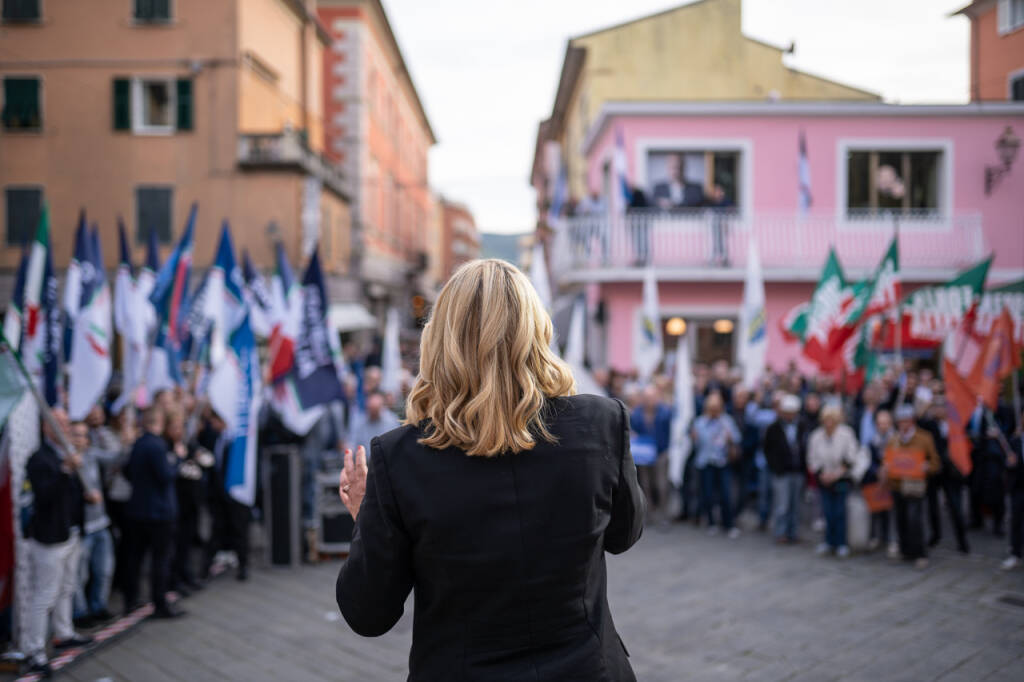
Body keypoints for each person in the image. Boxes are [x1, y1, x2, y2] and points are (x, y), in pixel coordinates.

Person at [335, 259, 644, 681]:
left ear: (440, 340)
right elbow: (623, 536)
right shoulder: (602, 423)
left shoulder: (400, 457)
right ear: (537, 331)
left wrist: (364, 519)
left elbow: (369, 614)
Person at [21, 409, 93, 676]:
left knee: (67, 586)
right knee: (44, 595)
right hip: (49, 537)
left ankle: (63, 633)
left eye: (65, 421)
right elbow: (45, 496)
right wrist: (65, 471)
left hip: (70, 532)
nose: (64, 426)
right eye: (59, 422)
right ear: (46, 426)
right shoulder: (40, 458)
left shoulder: (67, 452)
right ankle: (34, 650)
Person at [123, 407, 184, 618]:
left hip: (137, 510)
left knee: (135, 558)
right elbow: (166, 476)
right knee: (160, 559)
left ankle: (130, 600)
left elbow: (127, 471)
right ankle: (160, 603)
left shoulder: (138, 444)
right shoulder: (157, 446)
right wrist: (178, 459)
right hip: (159, 513)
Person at [70, 419, 118, 628]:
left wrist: (124, 436)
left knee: (104, 569)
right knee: (80, 574)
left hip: (101, 523)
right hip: (83, 527)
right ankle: (79, 613)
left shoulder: (92, 455)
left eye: (83, 435)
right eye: (76, 435)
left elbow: (116, 458)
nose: (80, 439)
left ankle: (98, 606)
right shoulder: (68, 462)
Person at [883, 404, 941, 569]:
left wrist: (927, 466)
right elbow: (887, 458)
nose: (903, 424)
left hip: (915, 486)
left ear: (913, 421)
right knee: (900, 518)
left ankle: (920, 553)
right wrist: (886, 466)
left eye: (906, 421)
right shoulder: (893, 439)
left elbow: (935, 461)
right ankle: (905, 550)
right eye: (901, 421)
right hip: (897, 485)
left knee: (914, 518)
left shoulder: (924, 437)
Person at [806, 404, 859, 558]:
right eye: (826, 420)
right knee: (827, 512)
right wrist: (822, 474)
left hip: (841, 479)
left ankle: (841, 543)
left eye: (832, 420)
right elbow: (812, 458)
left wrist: (838, 473)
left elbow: (851, 456)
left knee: (840, 511)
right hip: (824, 479)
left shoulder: (846, 434)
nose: (828, 423)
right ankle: (828, 541)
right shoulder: (816, 436)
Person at [165, 406, 208, 595]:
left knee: (187, 543)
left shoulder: (187, 444)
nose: (179, 431)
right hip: (176, 504)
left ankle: (186, 574)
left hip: (191, 502)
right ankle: (173, 579)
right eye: (175, 427)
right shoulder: (165, 448)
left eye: (181, 427)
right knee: (175, 544)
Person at [691, 392, 742, 538]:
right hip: (706, 462)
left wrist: (730, 438)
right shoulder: (700, 422)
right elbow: (696, 444)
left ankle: (729, 524)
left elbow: (737, 438)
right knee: (707, 494)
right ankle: (712, 523)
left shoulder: (727, 421)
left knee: (726, 494)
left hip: (723, 462)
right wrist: (694, 438)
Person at [763, 395, 805, 544]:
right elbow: (767, 449)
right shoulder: (773, 428)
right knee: (782, 505)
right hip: (782, 472)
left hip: (797, 471)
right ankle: (781, 532)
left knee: (795, 504)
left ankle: (793, 532)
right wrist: (775, 466)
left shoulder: (801, 426)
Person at [630, 385, 672, 523]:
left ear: (657, 397)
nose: (650, 400)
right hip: (644, 455)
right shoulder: (636, 414)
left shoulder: (666, 413)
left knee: (661, 484)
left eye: (652, 397)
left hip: (661, 453)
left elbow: (670, 433)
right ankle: (649, 514)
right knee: (645, 484)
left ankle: (663, 514)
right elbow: (632, 431)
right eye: (647, 397)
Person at [864, 409, 897, 556]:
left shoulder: (896, 440)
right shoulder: (872, 441)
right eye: (880, 423)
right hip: (876, 481)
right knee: (875, 511)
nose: (883, 426)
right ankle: (875, 537)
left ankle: (891, 539)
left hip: (892, 481)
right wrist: (877, 471)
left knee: (890, 512)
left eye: (886, 423)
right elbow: (868, 460)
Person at [1003, 408, 1024, 571]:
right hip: (1018, 488)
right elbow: (1009, 465)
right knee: (1016, 521)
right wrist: (1010, 463)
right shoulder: (1015, 440)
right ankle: (1015, 554)